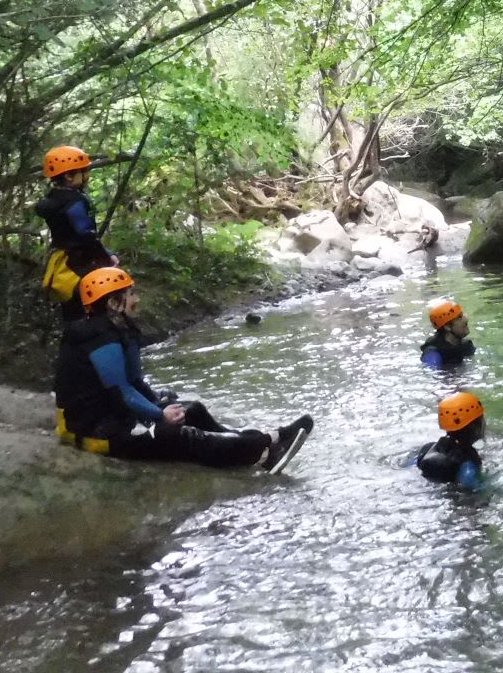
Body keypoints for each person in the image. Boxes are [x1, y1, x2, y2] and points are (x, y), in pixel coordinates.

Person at [53, 266, 313, 472]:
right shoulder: (97, 338)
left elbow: (135, 381)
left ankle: (264, 441)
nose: (137, 299)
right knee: (181, 435)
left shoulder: (121, 330)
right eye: (131, 294)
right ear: (113, 303)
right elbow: (121, 391)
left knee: (192, 410)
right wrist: (158, 415)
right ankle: (263, 451)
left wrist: (160, 407)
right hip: (96, 431)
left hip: (115, 416)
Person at [35, 145, 116, 321]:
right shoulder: (74, 202)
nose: (88, 176)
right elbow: (86, 234)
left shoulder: (52, 198)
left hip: (62, 263)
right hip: (80, 263)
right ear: (69, 176)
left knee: (72, 311)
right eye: (84, 171)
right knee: (92, 307)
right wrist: (106, 258)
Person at [416, 391, 485, 488]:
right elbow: (474, 487)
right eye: (481, 420)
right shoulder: (467, 463)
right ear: (475, 427)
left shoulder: (427, 448)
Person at [419, 299, 476, 368]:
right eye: (459, 317)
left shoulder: (466, 345)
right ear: (447, 327)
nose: (466, 319)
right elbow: (430, 375)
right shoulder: (434, 353)